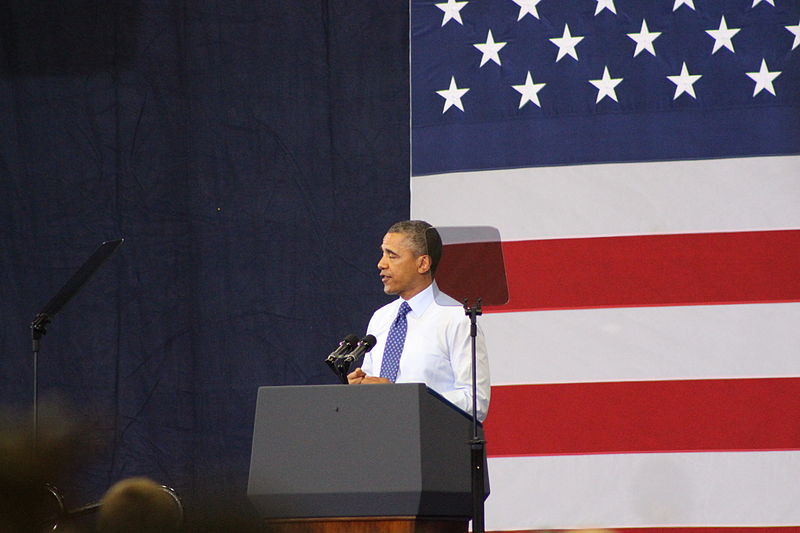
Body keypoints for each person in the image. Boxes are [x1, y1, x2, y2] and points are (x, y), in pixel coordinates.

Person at [347, 220, 490, 421]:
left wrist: (402, 398)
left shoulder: (457, 319)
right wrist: (359, 389)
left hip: (431, 443)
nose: (381, 263)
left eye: (392, 255)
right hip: (380, 441)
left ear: (422, 263)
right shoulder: (380, 318)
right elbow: (377, 391)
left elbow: (475, 402)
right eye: (382, 253)